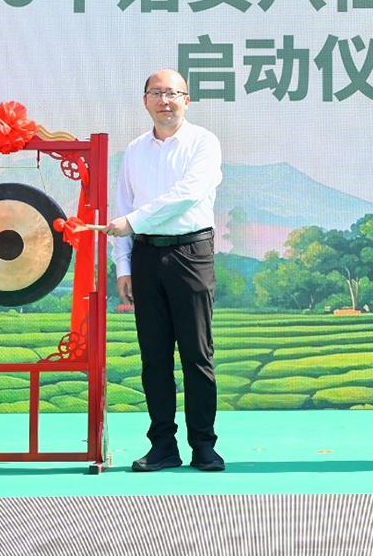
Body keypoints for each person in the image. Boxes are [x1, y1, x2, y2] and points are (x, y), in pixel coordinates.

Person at [106, 69, 224, 472]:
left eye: (173, 93)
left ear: (187, 100)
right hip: (144, 256)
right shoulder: (135, 150)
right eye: (156, 93)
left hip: (191, 253)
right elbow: (122, 205)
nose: (165, 101)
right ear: (145, 101)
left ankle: (203, 445)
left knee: (196, 354)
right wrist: (123, 265)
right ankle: (163, 446)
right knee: (154, 357)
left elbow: (187, 194)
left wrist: (134, 221)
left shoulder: (203, 142)